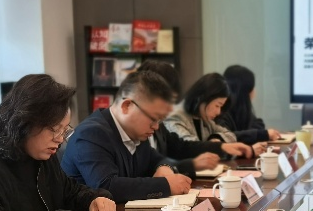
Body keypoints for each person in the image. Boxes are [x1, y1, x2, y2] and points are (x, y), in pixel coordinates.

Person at [0, 75, 116, 211]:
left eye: (64, 130)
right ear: (24, 123)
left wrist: (93, 199)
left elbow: (71, 192)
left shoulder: (43, 156)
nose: (60, 139)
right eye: (54, 130)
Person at [61, 70, 194, 202]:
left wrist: (164, 167)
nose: (156, 127)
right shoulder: (90, 134)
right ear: (127, 106)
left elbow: (158, 159)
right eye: (153, 118)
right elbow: (106, 186)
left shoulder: (136, 132)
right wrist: (166, 185)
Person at [136, 60, 239, 176]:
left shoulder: (159, 124)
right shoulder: (173, 118)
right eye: (166, 100)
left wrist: (220, 146)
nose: (170, 108)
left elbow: (180, 147)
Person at [164, 73, 255, 160]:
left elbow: (230, 135)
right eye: (217, 105)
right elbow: (191, 149)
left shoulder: (203, 117)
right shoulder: (176, 117)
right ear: (203, 98)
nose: (219, 112)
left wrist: (216, 138)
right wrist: (216, 146)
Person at [221, 65, 283, 148]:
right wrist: (262, 134)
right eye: (252, 88)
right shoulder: (221, 111)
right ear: (245, 91)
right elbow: (226, 137)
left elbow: (258, 124)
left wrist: (259, 133)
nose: (254, 92)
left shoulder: (241, 109)